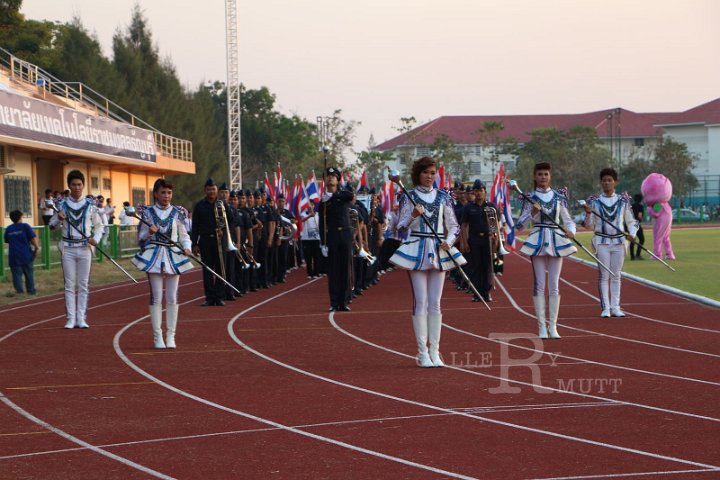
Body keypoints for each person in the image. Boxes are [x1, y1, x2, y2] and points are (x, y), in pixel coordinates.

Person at [390, 157, 465, 368]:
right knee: (421, 301)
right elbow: (401, 228)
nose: (430, 176)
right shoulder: (409, 196)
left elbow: (454, 226)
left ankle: (436, 351)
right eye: (425, 172)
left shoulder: (443, 196)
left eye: (433, 173)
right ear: (418, 174)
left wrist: (449, 242)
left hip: (438, 251)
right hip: (416, 249)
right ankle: (422, 352)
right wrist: (413, 215)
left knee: (436, 302)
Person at [515, 162, 576, 339]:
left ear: (550, 176)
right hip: (538, 239)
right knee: (540, 284)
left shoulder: (558, 197)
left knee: (554, 284)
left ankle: (553, 326)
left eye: (546, 174)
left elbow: (568, 219)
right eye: (540, 174)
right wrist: (533, 213)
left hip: (557, 239)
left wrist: (571, 231)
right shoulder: (530, 197)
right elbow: (520, 225)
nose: (543, 177)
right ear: (535, 176)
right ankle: (541, 326)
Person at [131, 179, 193, 348]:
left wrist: (187, 247)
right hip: (154, 255)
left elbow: (184, 235)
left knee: (172, 296)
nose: (166, 196)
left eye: (169, 193)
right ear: (156, 194)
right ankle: (157, 336)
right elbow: (141, 238)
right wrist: (149, 233)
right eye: (163, 192)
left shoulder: (178, 212)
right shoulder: (148, 212)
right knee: (156, 296)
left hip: (173, 254)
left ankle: (171, 335)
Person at [49, 170, 105, 329]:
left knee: (83, 284)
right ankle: (70, 318)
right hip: (68, 248)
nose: (76, 187)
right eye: (73, 184)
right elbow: (51, 226)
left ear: (83, 185)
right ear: (69, 185)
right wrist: (58, 220)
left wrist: (96, 239)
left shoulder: (90, 205)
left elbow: (100, 226)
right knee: (69, 284)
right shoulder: (61, 205)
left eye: (79, 184)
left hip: (85, 247)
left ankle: (81, 317)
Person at [582, 168, 638, 318]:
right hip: (602, 242)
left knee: (616, 275)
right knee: (604, 275)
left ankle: (616, 307)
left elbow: (632, 221)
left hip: (619, 242)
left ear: (615, 182)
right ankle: (605, 307)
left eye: (610, 180)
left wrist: (632, 234)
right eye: (604, 180)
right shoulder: (594, 201)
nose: (607, 183)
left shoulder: (623, 200)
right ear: (601, 183)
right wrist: (588, 214)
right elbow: (588, 225)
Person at [318, 167, 354, 311]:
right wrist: (323, 243)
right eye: (328, 176)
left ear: (338, 179)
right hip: (332, 235)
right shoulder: (323, 201)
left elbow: (350, 196)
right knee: (333, 270)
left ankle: (344, 301)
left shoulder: (342, 194)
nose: (330, 178)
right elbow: (322, 223)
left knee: (345, 268)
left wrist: (332, 197)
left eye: (333, 176)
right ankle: (333, 302)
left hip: (345, 234)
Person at [460, 179, 500, 302]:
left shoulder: (491, 206)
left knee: (487, 267)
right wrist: (464, 242)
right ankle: (477, 293)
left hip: (488, 240)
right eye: (476, 191)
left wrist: (496, 239)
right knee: (476, 267)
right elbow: (464, 225)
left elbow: (495, 224)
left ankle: (486, 292)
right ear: (473, 192)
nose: (478, 193)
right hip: (474, 239)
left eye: (481, 190)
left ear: (485, 192)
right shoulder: (468, 207)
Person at [191, 178, 226, 306]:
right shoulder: (199, 206)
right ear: (205, 190)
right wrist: (194, 243)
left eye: (213, 189)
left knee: (221, 269)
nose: (211, 191)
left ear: (217, 190)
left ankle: (219, 297)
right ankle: (209, 297)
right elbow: (195, 226)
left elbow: (231, 222)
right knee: (207, 270)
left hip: (220, 241)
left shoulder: (222, 205)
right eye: (209, 189)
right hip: (205, 241)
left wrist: (223, 230)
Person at [4, 210, 40, 295]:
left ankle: (19, 292)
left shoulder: (9, 229)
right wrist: (37, 247)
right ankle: (31, 291)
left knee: (16, 275)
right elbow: (32, 238)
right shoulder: (25, 226)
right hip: (25, 254)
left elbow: (7, 240)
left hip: (14, 255)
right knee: (29, 273)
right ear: (20, 217)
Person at [300, 201, 321, 278]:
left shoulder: (318, 215)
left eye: (311, 205)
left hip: (316, 239)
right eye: (308, 205)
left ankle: (316, 272)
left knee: (316, 257)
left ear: (314, 205)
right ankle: (309, 273)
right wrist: (309, 216)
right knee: (308, 257)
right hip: (306, 239)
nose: (310, 206)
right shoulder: (304, 214)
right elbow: (302, 220)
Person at [630, 194, 645, 260]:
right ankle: (638, 254)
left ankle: (632, 256)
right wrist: (641, 219)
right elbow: (639, 216)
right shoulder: (640, 206)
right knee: (641, 239)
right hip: (636, 224)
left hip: (630, 224)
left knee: (632, 239)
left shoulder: (631, 206)